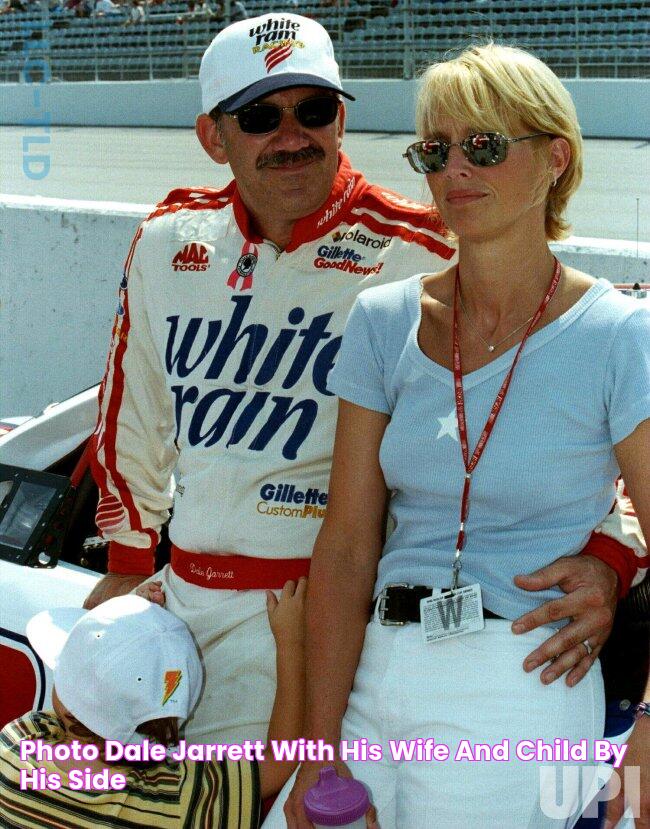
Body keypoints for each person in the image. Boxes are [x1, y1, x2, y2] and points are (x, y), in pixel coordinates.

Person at [84, 13, 644, 746]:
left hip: (328, 612)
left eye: (314, 110)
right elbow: (133, 415)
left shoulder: (429, 240)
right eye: (260, 116)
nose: (293, 136)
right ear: (213, 137)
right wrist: (129, 560)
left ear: (342, 119)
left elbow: (582, 380)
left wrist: (612, 554)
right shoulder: (168, 240)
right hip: (181, 599)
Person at [277, 43, 650, 829]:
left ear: (556, 158)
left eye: (483, 146)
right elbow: (346, 545)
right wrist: (319, 747)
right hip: (375, 667)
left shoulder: (619, 334)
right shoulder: (381, 320)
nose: (454, 171)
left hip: (519, 675)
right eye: (434, 150)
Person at [0, 583, 306, 827]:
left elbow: (84, 706)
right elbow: (281, 761)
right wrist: (290, 642)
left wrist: (130, 628)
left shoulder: (15, 753)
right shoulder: (176, 799)